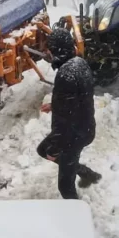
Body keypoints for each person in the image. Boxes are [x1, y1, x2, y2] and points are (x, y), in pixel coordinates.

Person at [36, 28, 102, 199]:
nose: (48, 54)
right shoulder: (80, 63)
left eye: (50, 50)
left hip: (73, 136)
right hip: (85, 128)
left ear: (56, 50)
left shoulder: (66, 75)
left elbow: (64, 121)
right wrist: (56, 104)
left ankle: (77, 213)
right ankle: (86, 172)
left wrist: (55, 148)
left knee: (65, 187)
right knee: (42, 149)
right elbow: (77, 98)